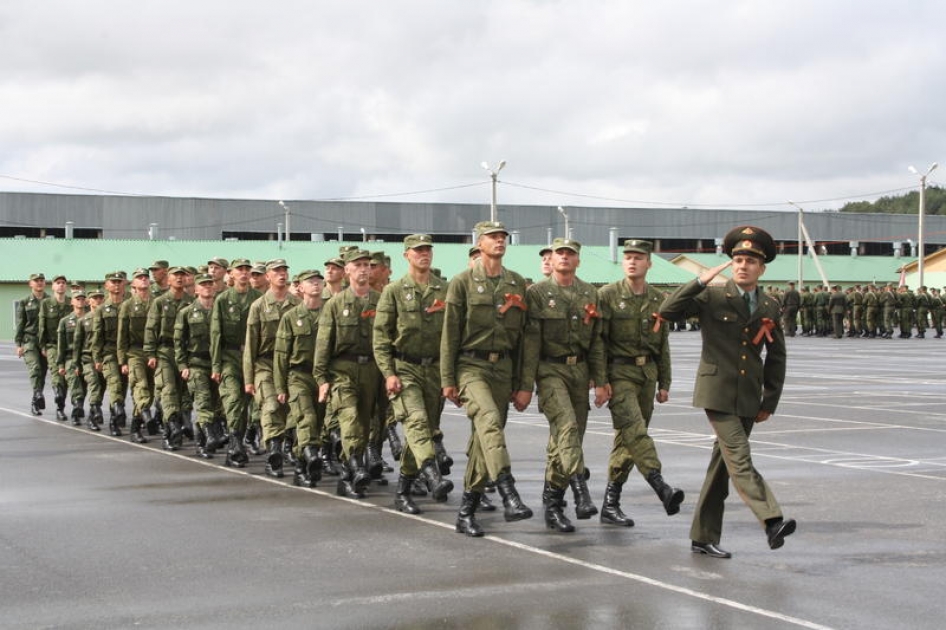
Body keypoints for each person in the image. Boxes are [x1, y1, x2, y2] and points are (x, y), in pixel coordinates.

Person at [659, 225, 795, 559]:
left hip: (749, 396)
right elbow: (667, 311)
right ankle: (771, 519)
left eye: (751, 260)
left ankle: (702, 537)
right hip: (717, 392)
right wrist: (700, 280)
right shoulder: (713, 295)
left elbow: (777, 357)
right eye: (738, 259)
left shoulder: (769, 306)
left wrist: (770, 401)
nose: (743, 265)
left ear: (761, 268)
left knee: (720, 470)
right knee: (740, 457)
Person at [441, 220, 533, 537]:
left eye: (503, 237)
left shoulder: (517, 283)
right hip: (471, 366)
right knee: (490, 421)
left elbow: (524, 339)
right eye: (493, 237)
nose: (499, 241)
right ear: (479, 243)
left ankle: (466, 511)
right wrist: (447, 379)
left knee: (484, 441)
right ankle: (508, 491)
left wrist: (524, 384)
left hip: (504, 369)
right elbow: (449, 335)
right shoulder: (462, 282)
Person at [518, 237, 606, 533]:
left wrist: (601, 380)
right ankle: (580, 490)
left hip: (579, 371)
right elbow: (530, 342)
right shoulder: (538, 294)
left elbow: (596, 342)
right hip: (549, 369)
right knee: (566, 426)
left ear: (578, 260)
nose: (565, 258)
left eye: (570, 254)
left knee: (566, 440)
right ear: (551, 259)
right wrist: (525, 384)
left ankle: (552, 503)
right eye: (560, 254)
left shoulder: (589, 292)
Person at [596, 239, 684, 528]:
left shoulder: (659, 299)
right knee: (635, 430)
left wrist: (664, 382)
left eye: (638, 257)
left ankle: (610, 504)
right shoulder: (607, 295)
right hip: (618, 374)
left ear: (649, 263)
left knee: (628, 439)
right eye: (628, 257)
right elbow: (599, 342)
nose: (632, 261)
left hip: (647, 375)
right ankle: (660, 485)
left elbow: (663, 345)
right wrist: (600, 381)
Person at [373, 234, 455, 514]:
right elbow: (381, 336)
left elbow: (452, 336)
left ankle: (403, 490)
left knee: (421, 431)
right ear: (406, 255)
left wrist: (450, 377)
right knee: (417, 422)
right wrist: (388, 373)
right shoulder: (394, 291)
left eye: (427, 250)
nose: (424, 254)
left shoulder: (445, 290)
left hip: (434, 370)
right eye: (418, 250)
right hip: (404, 368)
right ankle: (433, 476)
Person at [315, 249, 382, 498]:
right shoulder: (335, 304)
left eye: (367, 264)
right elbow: (323, 344)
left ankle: (347, 475)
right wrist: (321, 379)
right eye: (358, 265)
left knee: (365, 424)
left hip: (373, 370)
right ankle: (356, 465)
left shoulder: (381, 301)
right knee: (350, 417)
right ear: (348, 271)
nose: (364, 269)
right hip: (343, 370)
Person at [244, 259, 301, 478]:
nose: (282, 274)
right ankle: (274, 453)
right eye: (277, 271)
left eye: (285, 270)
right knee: (270, 405)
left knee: (291, 409)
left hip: (290, 365)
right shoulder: (258, 306)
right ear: (267, 276)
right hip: (265, 365)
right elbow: (250, 345)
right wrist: (249, 379)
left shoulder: (297, 304)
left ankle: (289, 446)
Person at [274, 269, 326, 487]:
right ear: (300, 287)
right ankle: (311, 453)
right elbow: (281, 354)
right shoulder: (291, 317)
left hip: (322, 376)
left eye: (318, 281)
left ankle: (300, 464)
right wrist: (280, 387)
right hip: (298, 376)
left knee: (318, 422)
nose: (315, 284)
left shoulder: (329, 312)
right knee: (307, 418)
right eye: (309, 282)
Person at [210, 258, 262, 467]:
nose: (243, 273)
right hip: (229, 357)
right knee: (233, 399)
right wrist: (215, 365)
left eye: (247, 270)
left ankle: (241, 439)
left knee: (252, 403)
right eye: (239, 270)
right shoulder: (223, 300)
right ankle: (235, 441)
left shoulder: (258, 299)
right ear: (230, 274)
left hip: (254, 357)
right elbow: (216, 334)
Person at [176, 274, 226, 458]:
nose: (207, 287)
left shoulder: (220, 311)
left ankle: (201, 443)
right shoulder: (187, 312)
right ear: (195, 289)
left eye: (209, 284)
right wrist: (182, 365)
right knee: (203, 401)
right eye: (202, 285)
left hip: (216, 363)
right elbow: (179, 341)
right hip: (196, 363)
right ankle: (209, 437)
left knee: (214, 404)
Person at [145, 266, 193, 449]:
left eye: (182, 275)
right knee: (169, 389)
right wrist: (150, 353)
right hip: (164, 351)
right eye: (175, 275)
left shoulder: (191, 302)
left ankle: (172, 425)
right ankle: (172, 428)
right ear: (169, 278)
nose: (179, 278)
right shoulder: (160, 302)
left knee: (182, 392)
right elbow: (151, 328)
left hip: (185, 353)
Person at [117, 268, 156, 442]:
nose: (143, 280)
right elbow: (122, 335)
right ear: (133, 284)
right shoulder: (127, 305)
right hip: (134, 352)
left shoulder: (157, 302)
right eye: (139, 278)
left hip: (153, 352)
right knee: (141, 385)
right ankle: (146, 414)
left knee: (152, 390)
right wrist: (122, 360)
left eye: (146, 278)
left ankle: (135, 426)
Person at [92, 271, 129, 436]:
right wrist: (97, 358)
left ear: (125, 284)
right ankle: (117, 413)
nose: (116, 284)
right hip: (109, 353)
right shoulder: (101, 310)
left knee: (123, 385)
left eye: (119, 281)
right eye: (112, 282)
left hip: (128, 353)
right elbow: (97, 336)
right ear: (106, 285)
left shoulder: (129, 305)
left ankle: (115, 415)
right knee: (114, 383)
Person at [38, 274, 73, 420]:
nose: (61, 285)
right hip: (52, 344)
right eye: (58, 283)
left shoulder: (71, 303)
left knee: (66, 376)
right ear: (52, 286)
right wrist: (42, 345)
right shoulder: (46, 303)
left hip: (68, 346)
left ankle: (61, 407)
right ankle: (58, 396)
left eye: (63, 283)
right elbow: (42, 325)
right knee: (55, 371)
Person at [16, 272, 50, 415]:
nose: (39, 283)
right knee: (35, 368)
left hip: (46, 341)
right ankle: (37, 394)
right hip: (29, 340)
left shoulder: (50, 301)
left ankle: (35, 401)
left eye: (41, 280)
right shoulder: (24, 302)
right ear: (30, 284)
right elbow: (20, 324)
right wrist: (18, 344)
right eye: (36, 281)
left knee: (42, 372)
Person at [74, 287, 107, 431]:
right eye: (95, 298)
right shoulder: (83, 321)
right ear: (89, 301)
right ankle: (95, 412)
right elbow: (77, 344)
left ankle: (92, 415)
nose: (98, 300)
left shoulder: (107, 318)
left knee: (102, 388)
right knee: (94, 384)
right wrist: (76, 364)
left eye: (100, 298)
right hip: (87, 359)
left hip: (103, 358)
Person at [57, 290, 88, 426]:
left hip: (86, 357)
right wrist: (60, 365)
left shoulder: (90, 319)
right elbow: (61, 345)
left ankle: (79, 405)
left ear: (86, 301)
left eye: (82, 298)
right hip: (70, 357)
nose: (80, 301)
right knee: (74, 381)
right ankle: (77, 408)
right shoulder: (65, 321)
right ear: (72, 302)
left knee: (85, 385)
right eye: (77, 298)